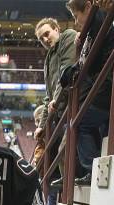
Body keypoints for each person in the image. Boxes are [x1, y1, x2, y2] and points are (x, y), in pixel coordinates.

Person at [61, 0, 114, 186]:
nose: (76, 22)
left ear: (87, 7)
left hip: (106, 87)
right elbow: (85, 62)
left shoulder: (98, 20)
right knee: (86, 123)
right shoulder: (94, 25)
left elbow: (89, 63)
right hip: (103, 87)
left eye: (76, 16)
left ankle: (92, 169)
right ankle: (93, 168)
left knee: (79, 123)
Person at [35, 18, 78, 190]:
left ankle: (70, 186)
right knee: (59, 153)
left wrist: (57, 98)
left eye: (47, 34)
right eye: (41, 38)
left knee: (63, 151)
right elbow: (48, 97)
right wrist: (42, 126)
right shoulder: (47, 60)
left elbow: (66, 73)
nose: (45, 39)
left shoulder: (68, 37)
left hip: (75, 103)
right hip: (61, 111)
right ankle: (68, 184)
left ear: (56, 29)